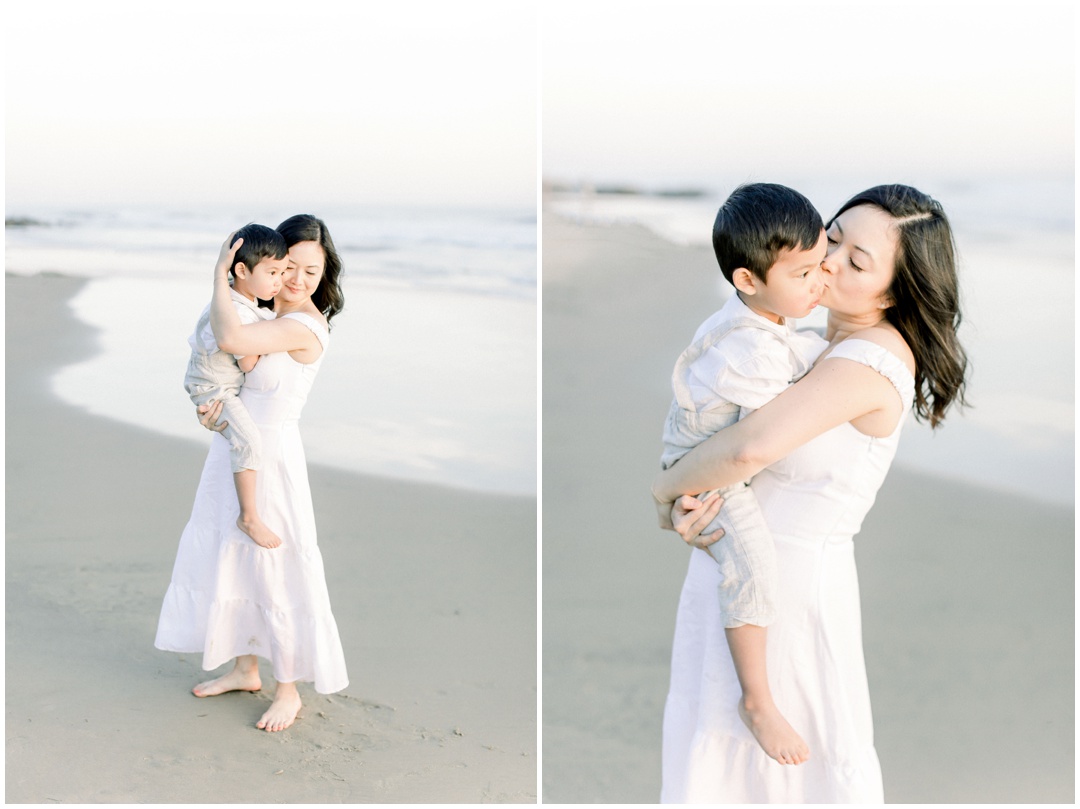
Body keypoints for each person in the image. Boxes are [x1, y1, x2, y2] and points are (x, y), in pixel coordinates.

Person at [652, 185, 967, 802]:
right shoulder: (807, 344)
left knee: (787, 781)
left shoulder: (870, 360)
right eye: (833, 237)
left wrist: (665, 490)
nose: (828, 261)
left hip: (791, 595)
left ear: (895, 292)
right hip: (737, 567)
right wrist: (698, 505)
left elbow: (749, 448)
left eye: (856, 262)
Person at [156, 214, 348, 733]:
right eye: (290, 267)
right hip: (237, 451)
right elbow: (226, 372)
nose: (298, 280)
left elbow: (231, 340)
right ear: (272, 264)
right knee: (233, 559)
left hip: (275, 458)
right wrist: (211, 410)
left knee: (278, 568)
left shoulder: (304, 325)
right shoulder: (261, 316)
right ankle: (246, 668)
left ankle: (288, 689)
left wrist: (219, 273)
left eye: (312, 271)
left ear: (324, 275)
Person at [660, 183, 827, 766]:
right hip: (708, 467)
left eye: (822, 264)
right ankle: (757, 700)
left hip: (703, 444)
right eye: (804, 273)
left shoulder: (762, 317)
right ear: (747, 280)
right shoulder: (751, 351)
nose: (819, 283)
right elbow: (759, 442)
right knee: (751, 565)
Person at [183, 223, 287, 551]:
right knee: (249, 441)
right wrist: (272, 336)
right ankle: (249, 517)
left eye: (283, 272)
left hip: (209, 381)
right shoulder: (239, 313)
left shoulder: (228, 298)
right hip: (215, 388)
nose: (280, 281)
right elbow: (248, 362)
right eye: (272, 272)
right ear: (241, 270)